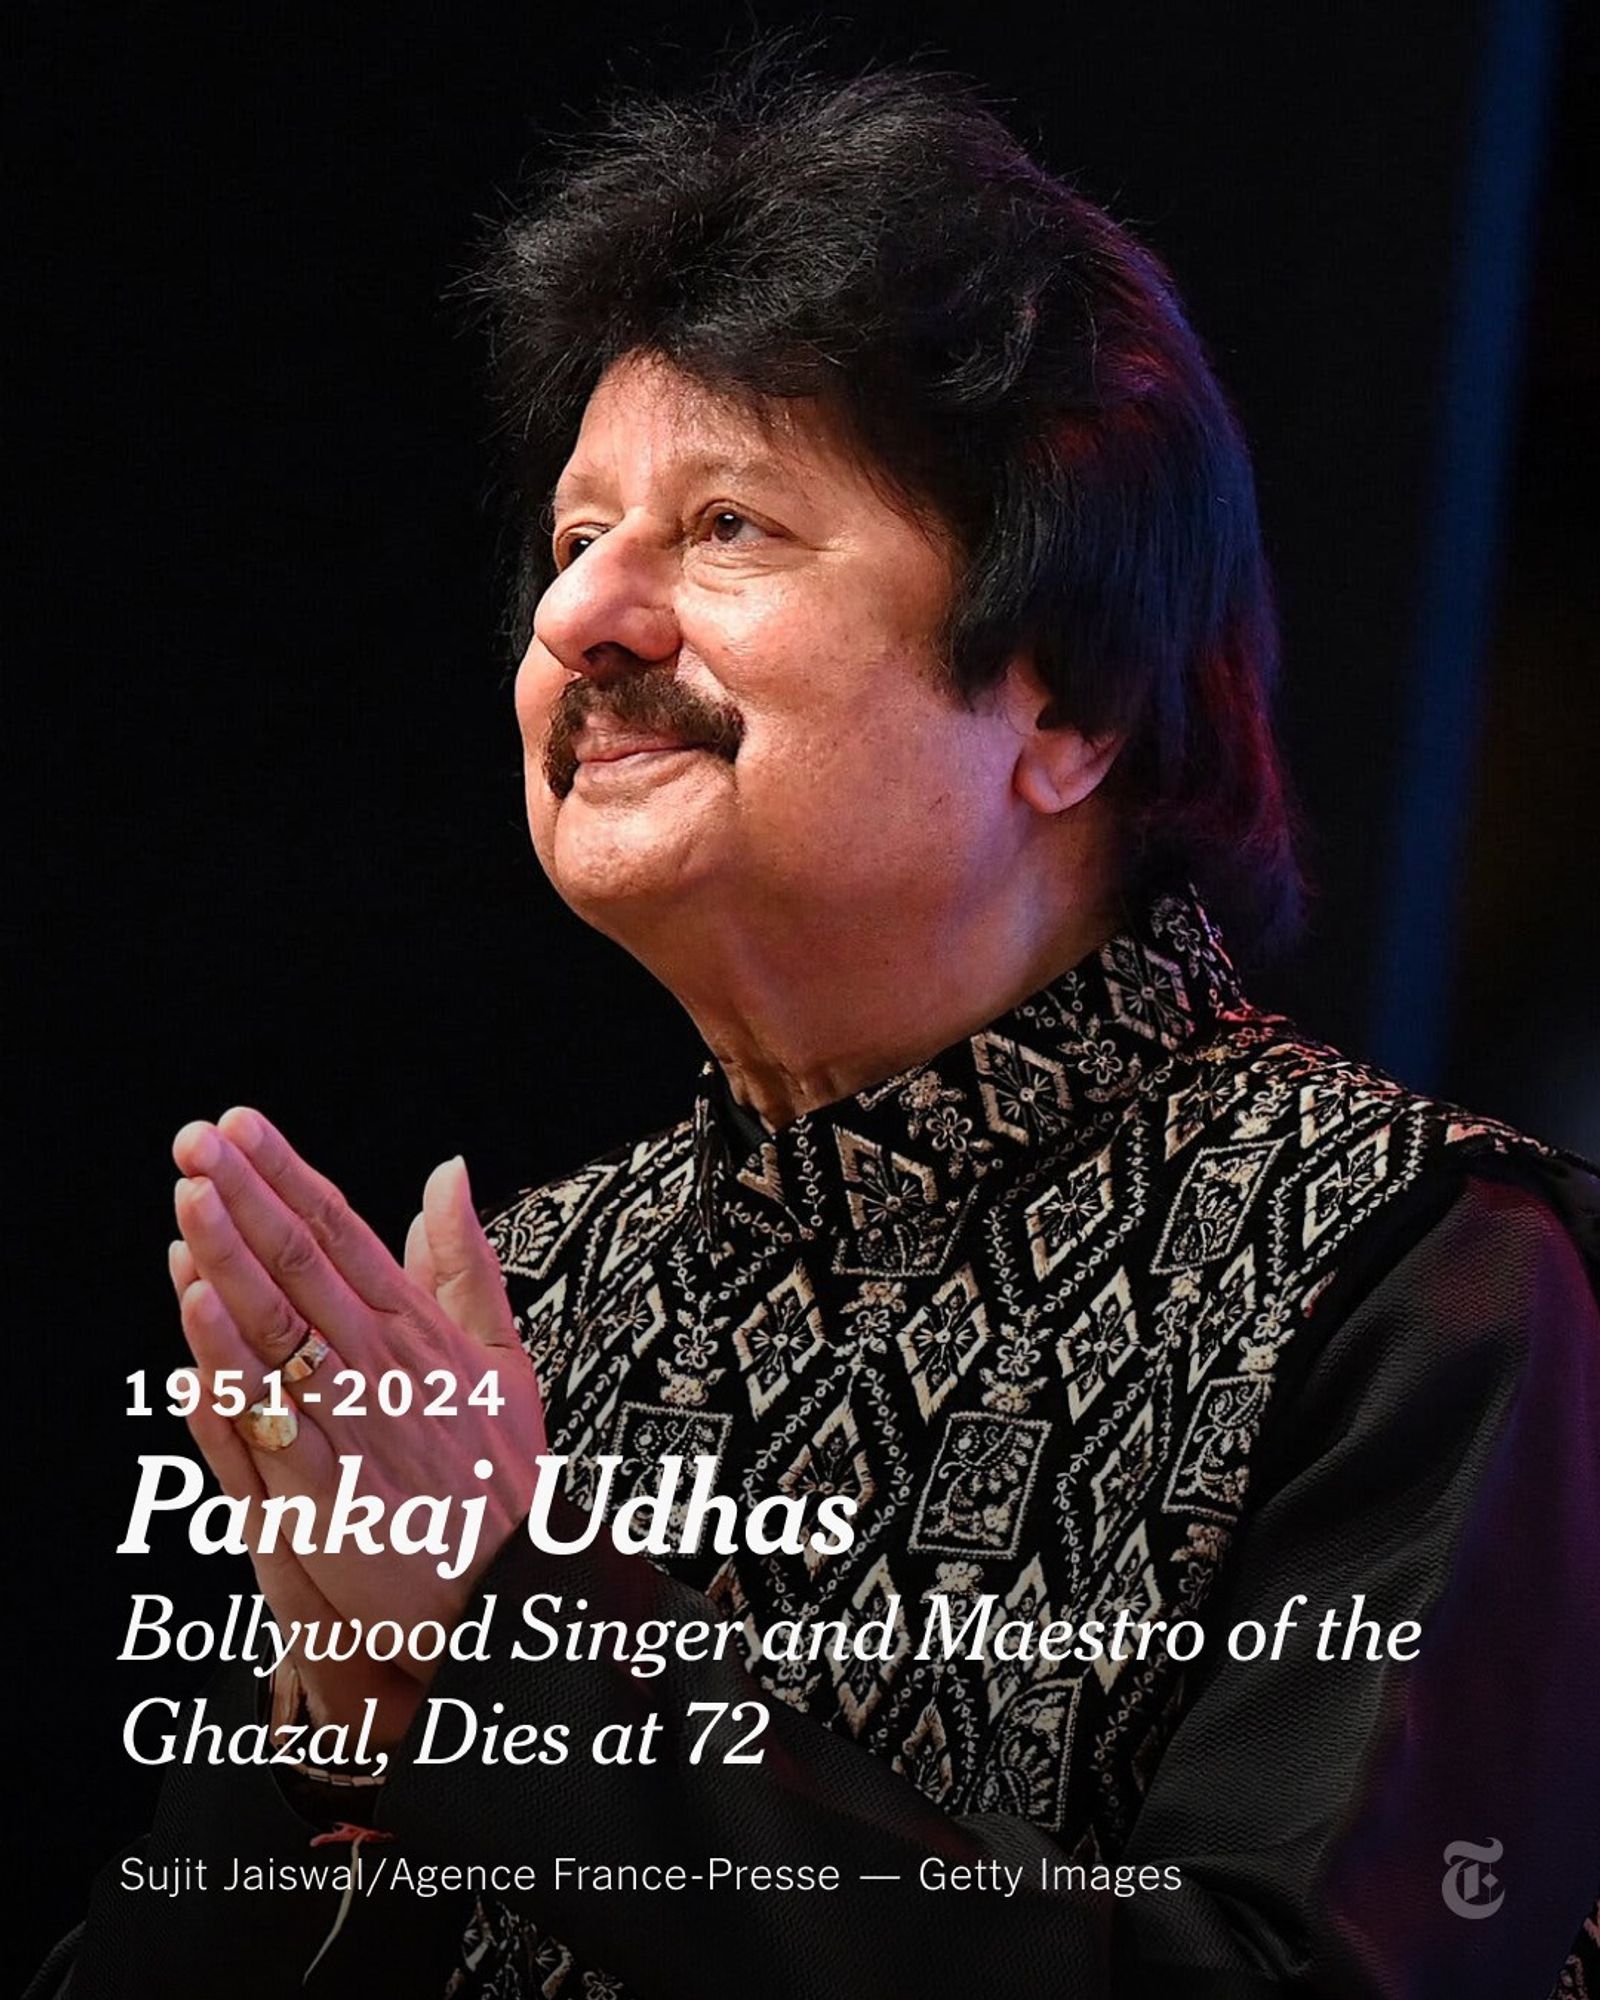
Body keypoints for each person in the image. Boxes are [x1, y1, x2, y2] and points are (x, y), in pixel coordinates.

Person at [41, 49, 1599, 2000]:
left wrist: (505, 1645)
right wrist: (327, 1752)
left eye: (725, 530)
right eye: (574, 532)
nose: (581, 617)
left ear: (1064, 706)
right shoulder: (523, 1301)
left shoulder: (1421, 1282)